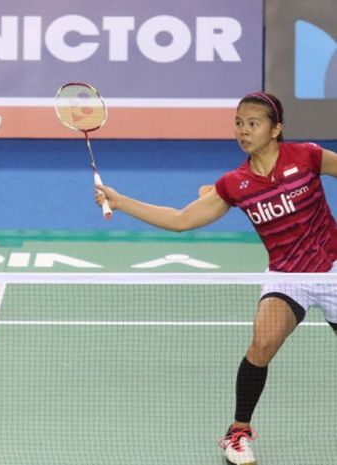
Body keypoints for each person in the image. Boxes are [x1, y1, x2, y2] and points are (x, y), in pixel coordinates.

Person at [94, 92, 337, 465]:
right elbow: (180, 221)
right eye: (239, 123)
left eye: (253, 123)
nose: (243, 130)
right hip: (287, 278)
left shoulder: (307, 156)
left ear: (276, 129)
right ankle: (237, 434)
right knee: (262, 343)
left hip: (333, 268)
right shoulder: (235, 184)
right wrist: (121, 200)